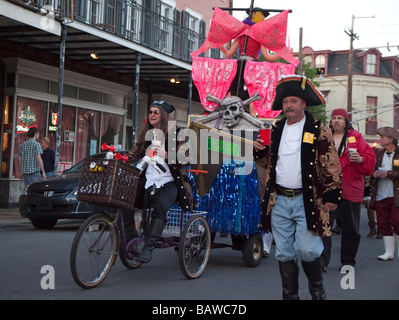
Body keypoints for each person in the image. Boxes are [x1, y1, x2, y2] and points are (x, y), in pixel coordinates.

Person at [254, 75, 342, 300]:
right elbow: (269, 162)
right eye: (285, 102)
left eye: (293, 100)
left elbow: (331, 161)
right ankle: (290, 296)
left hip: (308, 200)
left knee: (307, 249)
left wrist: (332, 192)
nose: (288, 105)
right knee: (283, 252)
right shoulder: (276, 127)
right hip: (279, 199)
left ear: (303, 103)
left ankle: (316, 290)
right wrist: (260, 151)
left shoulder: (319, 128)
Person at [125, 101, 193, 263]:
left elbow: (188, 158)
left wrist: (167, 155)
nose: (152, 115)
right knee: (124, 200)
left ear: (165, 115)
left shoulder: (179, 133)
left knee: (161, 207)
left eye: (156, 112)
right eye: (150, 112)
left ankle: (148, 248)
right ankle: (132, 237)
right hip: (148, 179)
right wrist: (121, 159)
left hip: (171, 181)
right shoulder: (147, 134)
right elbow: (134, 153)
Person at [323, 108, 376, 270]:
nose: (336, 120)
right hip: (328, 189)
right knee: (324, 226)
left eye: (340, 118)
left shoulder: (357, 138)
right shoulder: (324, 137)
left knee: (350, 227)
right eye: (334, 118)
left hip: (351, 188)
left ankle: (347, 262)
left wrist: (360, 159)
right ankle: (321, 261)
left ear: (346, 121)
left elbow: (370, 159)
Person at [369, 126, 399, 260]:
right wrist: (374, 174)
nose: (380, 139)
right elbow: (373, 171)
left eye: (382, 137)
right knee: (383, 222)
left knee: (397, 220)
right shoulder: (379, 154)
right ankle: (389, 252)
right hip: (381, 193)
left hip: (395, 194)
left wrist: (389, 173)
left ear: (391, 139)